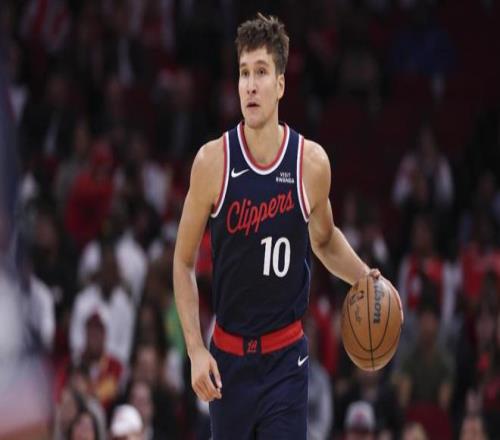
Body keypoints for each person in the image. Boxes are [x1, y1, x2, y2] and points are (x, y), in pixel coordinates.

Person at [173, 13, 399, 439]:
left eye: (261, 72)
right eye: (244, 73)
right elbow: (183, 262)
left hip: (285, 361)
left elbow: (325, 239)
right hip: (229, 359)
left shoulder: (309, 163)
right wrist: (196, 350)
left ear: (280, 84)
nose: (250, 85)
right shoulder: (212, 162)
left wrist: (365, 278)